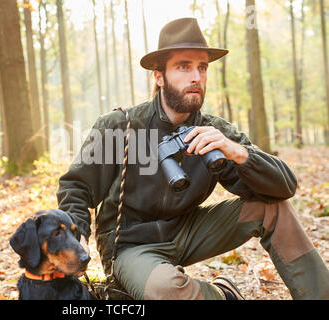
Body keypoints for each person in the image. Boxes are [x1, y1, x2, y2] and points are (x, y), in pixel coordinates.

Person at [56, 18, 329, 300]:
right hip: (131, 245)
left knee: (273, 208)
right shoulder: (119, 127)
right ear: (159, 76)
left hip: (188, 231)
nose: (196, 77)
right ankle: (224, 296)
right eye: (184, 66)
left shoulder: (215, 132)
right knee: (164, 289)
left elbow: (284, 187)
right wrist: (75, 237)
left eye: (202, 67)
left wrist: (238, 153)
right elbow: (76, 187)